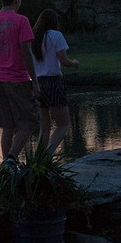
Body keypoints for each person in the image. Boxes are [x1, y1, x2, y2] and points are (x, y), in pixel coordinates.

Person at [0, 0, 40, 170]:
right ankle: (11, 159)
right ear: (17, 0)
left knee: (7, 125)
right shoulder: (21, 20)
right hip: (17, 79)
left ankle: (7, 167)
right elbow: (26, 53)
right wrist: (35, 81)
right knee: (28, 123)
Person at [31, 9, 79, 156]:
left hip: (38, 83)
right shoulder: (56, 36)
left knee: (44, 128)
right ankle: (47, 156)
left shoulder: (33, 38)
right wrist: (74, 63)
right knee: (63, 124)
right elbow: (64, 61)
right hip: (53, 82)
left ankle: (38, 159)